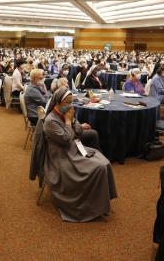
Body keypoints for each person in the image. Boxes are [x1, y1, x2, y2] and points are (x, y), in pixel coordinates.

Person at [42, 87, 117, 222]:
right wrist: (68, 122)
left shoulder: (67, 113)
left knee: (104, 162)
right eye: (67, 102)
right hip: (61, 156)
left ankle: (98, 201)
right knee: (98, 168)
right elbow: (65, 139)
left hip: (74, 149)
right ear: (57, 103)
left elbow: (78, 131)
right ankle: (90, 207)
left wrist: (73, 123)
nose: (70, 105)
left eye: (71, 102)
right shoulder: (50, 121)